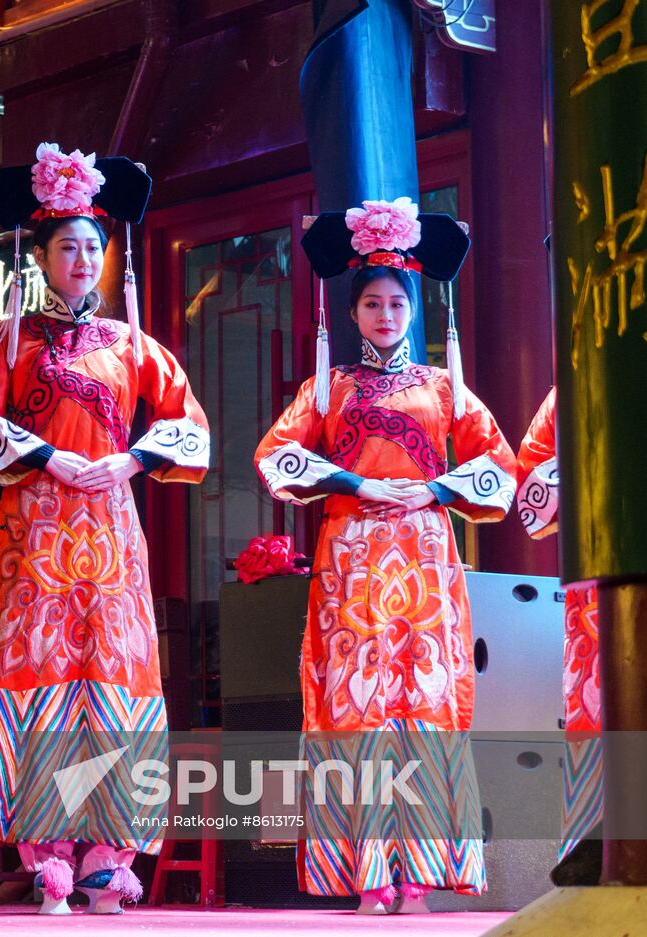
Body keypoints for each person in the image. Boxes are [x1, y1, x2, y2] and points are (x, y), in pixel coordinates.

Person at [0, 143, 211, 914]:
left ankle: (107, 855)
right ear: (40, 257)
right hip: (35, 531)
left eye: (93, 248)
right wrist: (49, 458)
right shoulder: (11, 342)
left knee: (117, 680)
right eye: (67, 246)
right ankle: (48, 854)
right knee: (41, 680)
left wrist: (130, 460)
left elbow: (188, 425)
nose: (82, 259)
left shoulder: (134, 346)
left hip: (110, 530)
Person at [254, 199, 516, 913]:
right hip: (352, 557)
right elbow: (276, 457)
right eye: (370, 302)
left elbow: (499, 466)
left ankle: (421, 872)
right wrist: (352, 479)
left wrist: (432, 487)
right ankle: (366, 872)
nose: (384, 313)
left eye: (396, 302)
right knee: (356, 703)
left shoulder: (443, 387)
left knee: (425, 701)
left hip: (426, 552)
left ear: (414, 309)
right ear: (352, 312)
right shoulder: (328, 386)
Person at [516, 387, 602, 881]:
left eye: (396, 300)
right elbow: (527, 478)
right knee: (601, 699)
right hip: (600, 554)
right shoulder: (576, 382)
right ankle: (602, 853)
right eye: (372, 301)